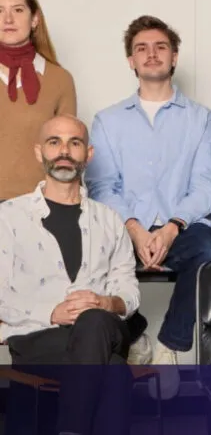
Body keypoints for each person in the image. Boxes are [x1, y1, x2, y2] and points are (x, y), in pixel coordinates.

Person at [85, 15, 211, 396]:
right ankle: (135, 334)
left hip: (180, 231)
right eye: (141, 48)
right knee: (80, 255)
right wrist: (134, 230)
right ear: (130, 61)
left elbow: (205, 185)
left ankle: (169, 344)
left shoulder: (201, 119)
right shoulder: (108, 121)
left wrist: (170, 227)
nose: (151, 54)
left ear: (174, 57)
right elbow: (101, 185)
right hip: (121, 230)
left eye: (160, 47)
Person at [0, 115, 138, 435]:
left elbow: (129, 291)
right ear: (40, 152)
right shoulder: (9, 218)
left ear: (87, 154)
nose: (64, 150)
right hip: (38, 340)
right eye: (54, 142)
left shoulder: (109, 220)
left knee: (94, 321)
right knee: (115, 370)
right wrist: (52, 312)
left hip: (102, 330)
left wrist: (106, 302)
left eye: (74, 143)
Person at [0, 0, 77, 201]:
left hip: (40, 206)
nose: (8, 19)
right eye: (0, 10)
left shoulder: (59, 79)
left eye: (18, 10)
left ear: (34, 19)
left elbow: (68, 152)